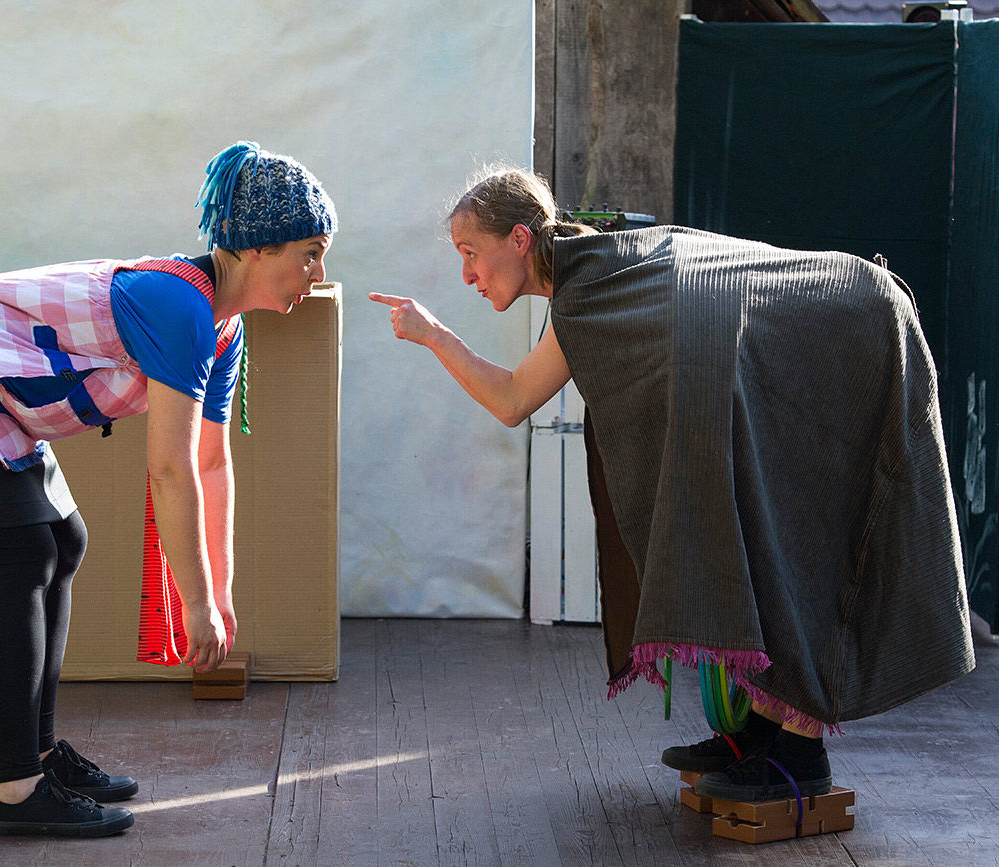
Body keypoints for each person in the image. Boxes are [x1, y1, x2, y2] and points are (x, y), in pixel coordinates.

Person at [370, 165, 974, 803]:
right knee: (748, 528)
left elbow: (712, 282)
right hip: (812, 337)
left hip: (840, 331)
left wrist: (434, 335)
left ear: (520, 239)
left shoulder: (596, 277)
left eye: (472, 255)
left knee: (789, 529)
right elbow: (517, 397)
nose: (468, 275)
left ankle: (799, 754)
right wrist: (433, 335)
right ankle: (760, 738)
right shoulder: (592, 286)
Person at [0, 141, 336, 837]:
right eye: (308, 250)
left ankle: (35, 756)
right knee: (21, 557)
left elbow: (212, 465)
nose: (318, 270)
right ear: (254, 247)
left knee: (62, 540)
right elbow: (170, 469)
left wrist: (218, 599)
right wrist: (195, 602)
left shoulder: (221, 328)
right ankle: (14, 791)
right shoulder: (181, 307)